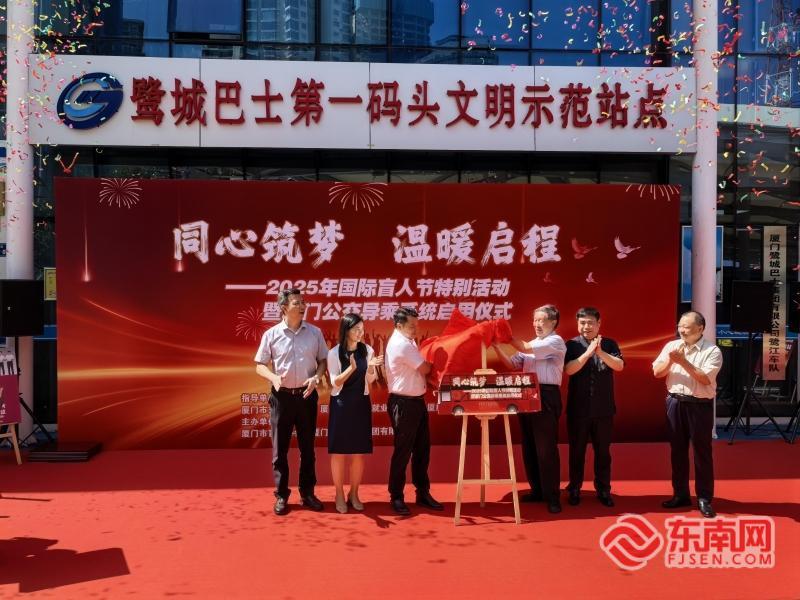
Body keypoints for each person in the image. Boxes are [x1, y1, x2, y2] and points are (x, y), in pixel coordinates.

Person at [254, 288, 328, 516]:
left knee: (308, 449)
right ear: (284, 307)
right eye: (297, 302)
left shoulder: (315, 333)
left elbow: (323, 361)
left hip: (306, 396)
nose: (303, 306)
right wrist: (273, 377)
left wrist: (317, 377)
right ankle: (281, 495)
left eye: (303, 302)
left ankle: (307, 493)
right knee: (280, 450)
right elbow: (259, 365)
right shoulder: (272, 334)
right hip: (282, 397)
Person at [494, 304, 566, 514]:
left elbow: (524, 348)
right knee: (530, 446)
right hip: (527, 394)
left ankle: (552, 496)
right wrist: (496, 346)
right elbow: (511, 364)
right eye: (535, 320)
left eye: (541, 320)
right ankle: (537, 490)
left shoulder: (555, 341)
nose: (536, 324)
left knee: (546, 448)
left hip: (546, 395)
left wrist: (505, 335)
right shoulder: (533, 343)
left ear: (553, 322)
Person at [652, 311, 723, 519]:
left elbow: (705, 379)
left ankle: (704, 497)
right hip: (675, 402)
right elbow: (657, 372)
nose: (682, 330)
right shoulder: (672, 346)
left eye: (687, 326)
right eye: (680, 326)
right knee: (677, 451)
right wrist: (672, 361)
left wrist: (683, 361)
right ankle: (680, 494)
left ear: (700, 328)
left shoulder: (712, 351)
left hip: (699, 405)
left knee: (702, 452)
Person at [563, 307, 624, 507]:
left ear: (599, 324)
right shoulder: (571, 345)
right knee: (577, 451)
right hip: (578, 410)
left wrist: (600, 352)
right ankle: (574, 488)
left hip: (603, 410)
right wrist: (588, 353)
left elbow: (619, 365)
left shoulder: (609, 343)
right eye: (582, 323)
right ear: (577, 324)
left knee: (603, 452)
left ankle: (604, 489)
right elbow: (569, 370)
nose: (586, 326)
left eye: (590, 322)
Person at [385, 307, 443, 515]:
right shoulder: (401, 344)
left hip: (416, 402)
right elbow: (425, 368)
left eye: (417, 325)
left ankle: (422, 492)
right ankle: (396, 496)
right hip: (404, 404)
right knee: (403, 452)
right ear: (399, 325)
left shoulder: (408, 341)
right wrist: (440, 355)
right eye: (412, 326)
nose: (416, 329)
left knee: (422, 449)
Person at [327, 313, 383, 514]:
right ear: (346, 330)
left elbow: (370, 380)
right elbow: (335, 382)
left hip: (360, 403)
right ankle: (339, 494)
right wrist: (351, 368)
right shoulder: (334, 353)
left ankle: (354, 493)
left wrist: (371, 368)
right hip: (341, 404)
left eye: (362, 329)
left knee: (359, 453)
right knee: (339, 452)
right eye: (356, 329)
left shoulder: (367, 350)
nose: (360, 333)